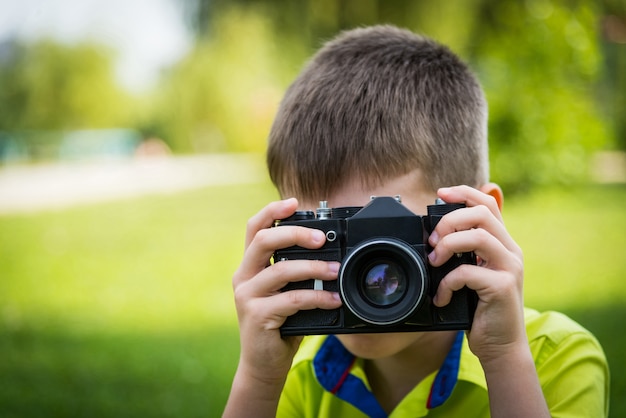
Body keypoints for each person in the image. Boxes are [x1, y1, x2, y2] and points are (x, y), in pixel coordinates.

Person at [223, 25, 609, 417]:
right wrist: (258, 379)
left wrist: (504, 356)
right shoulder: (298, 375)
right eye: (332, 237)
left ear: (480, 218)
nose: (364, 272)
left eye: (389, 236)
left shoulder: (556, 358)